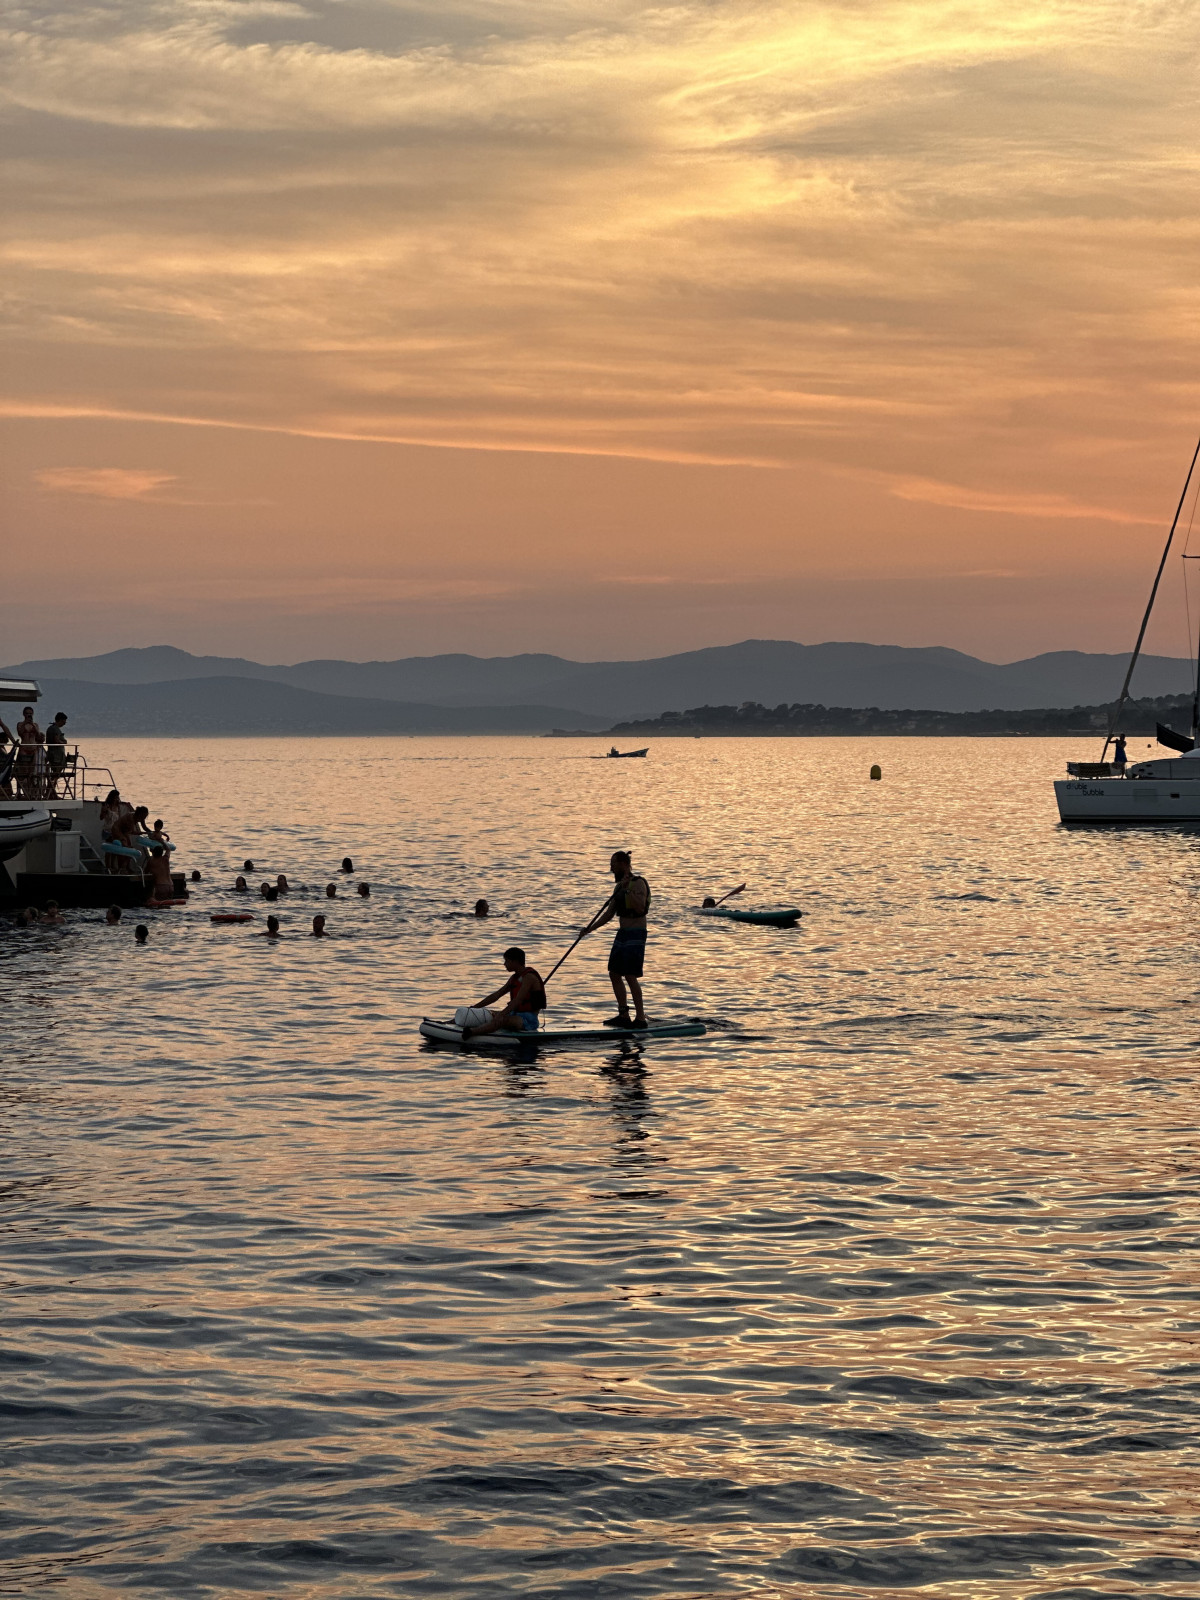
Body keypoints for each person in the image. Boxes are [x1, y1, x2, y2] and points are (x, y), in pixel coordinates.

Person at [580, 850, 650, 1028]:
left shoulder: (639, 883)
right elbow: (610, 913)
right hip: (623, 933)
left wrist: (627, 889)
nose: (611, 868)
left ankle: (640, 1018)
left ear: (624, 864)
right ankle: (623, 1015)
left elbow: (640, 906)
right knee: (614, 972)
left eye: (613, 864)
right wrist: (589, 929)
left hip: (636, 933)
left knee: (630, 975)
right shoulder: (618, 887)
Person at [463, 947, 547, 1037]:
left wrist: (501, 1015)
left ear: (515, 962)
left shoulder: (529, 977)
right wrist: (474, 1008)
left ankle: (472, 1032)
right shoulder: (514, 978)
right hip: (514, 1014)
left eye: (507, 961)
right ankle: (450, 1023)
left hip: (529, 1019)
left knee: (502, 1019)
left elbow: (517, 1000)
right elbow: (497, 995)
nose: (504, 964)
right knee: (486, 1014)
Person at [15, 707, 43, 797]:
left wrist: (33, 725)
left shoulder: (35, 725)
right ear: (24, 714)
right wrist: (25, 723)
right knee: (23, 771)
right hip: (24, 749)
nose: (29, 715)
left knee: (32, 771)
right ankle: (20, 791)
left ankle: (31, 791)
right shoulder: (20, 724)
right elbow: (20, 733)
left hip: (33, 749)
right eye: (27, 713)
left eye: (30, 713)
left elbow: (38, 736)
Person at [44, 712, 69, 796]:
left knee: (55, 776)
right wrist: (64, 742)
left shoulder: (53, 728)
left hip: (56, 756)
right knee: (55, 775)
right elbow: (56, 740)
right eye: (64, 721)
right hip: (56, 757)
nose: (65, 723)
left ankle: (51, 792)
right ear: (60, 720)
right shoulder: (54, 729)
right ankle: (49, 792)